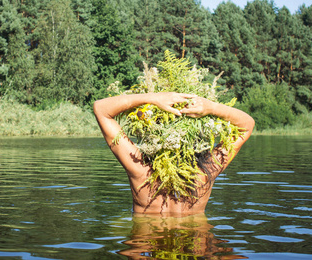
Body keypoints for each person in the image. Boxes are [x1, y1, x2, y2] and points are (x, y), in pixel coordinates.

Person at [93, 92, 255, 215]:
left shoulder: (141, 171)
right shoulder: (205, 173)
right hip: (196, 246)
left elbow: (101, 108)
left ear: (156, 136)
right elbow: (247, 125)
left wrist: (154, 97)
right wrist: (211, 107)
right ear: (198, 138)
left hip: (144, 246)